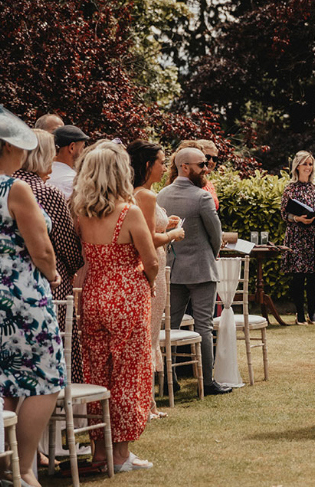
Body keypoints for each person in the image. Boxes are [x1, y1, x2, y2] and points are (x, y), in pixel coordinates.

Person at [0, 97, 64, 487]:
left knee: (2, 380)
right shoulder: (15, 189)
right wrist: (54, 276)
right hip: (24, 295)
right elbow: (43, 248)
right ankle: (25, 467)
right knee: (46, 379)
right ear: (9, 147)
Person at [73, 141, 158, 473]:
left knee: (97, 374)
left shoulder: (79, 212)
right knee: (128, 373)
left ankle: (99, 452)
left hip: (93, 294)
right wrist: (148, 282)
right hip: (126, 296)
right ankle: (120, 454)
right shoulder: (128, 212)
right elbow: (150, 259)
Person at [156, 147, 230, 396]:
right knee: (204, 326)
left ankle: (169, 379)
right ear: (184, 167)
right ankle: (207, 382)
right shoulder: (202, 197)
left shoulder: (160, 195)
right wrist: (210, 255)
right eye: (201, 164)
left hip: (172, 269)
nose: (206, 168)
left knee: (170, 326)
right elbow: (215, 234)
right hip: (201, 270)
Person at [13, 129, 85, 382]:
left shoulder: (0, 186)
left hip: (4, 285)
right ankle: (60, 415)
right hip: (49, 284)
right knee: (55, 358)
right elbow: (68, 247)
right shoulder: (45, 192)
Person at [128, 140, 186, 420]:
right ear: (148, 165)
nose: (165, 167)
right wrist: (172, 235)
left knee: (150, 334)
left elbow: (152, 229)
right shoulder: (145, 196)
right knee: (148, 335)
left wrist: (168, 224)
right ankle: (145, 404)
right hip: (152, 267)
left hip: (158, 267)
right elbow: (150, 240)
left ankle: (148, 402)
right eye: (162, 162)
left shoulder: (144, 193)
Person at [280, 151, 315, 325]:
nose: (308, 167)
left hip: (314, 236)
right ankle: (300, 313)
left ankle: (312, 313)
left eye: (310, 164)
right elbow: (284, 214)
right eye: (305, 164)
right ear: (297, 166)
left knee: (314, 276)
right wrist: (297, 218)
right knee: (298, 276)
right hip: (297, 236)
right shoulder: (290, 188)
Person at [48, 125, 90, 199]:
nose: (83, 152)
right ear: (72, 147)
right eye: (82, 147)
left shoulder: (42, 174)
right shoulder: (73, 181)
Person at [195, 139, 220, 210]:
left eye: (214, 158)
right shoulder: (190, 181)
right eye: (207, 157)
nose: (211, 161)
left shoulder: (209, 184)